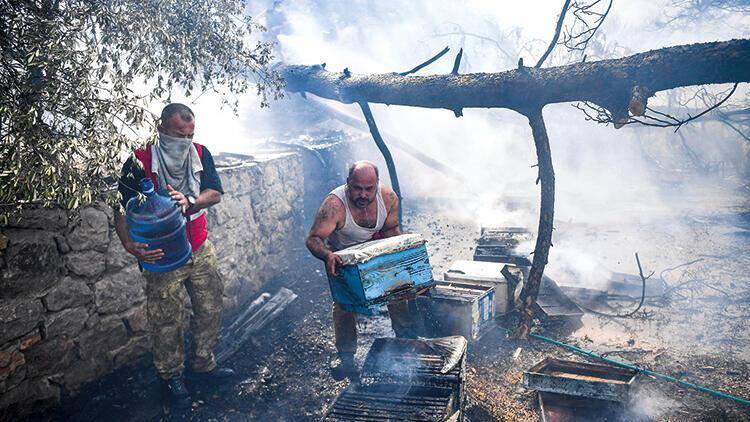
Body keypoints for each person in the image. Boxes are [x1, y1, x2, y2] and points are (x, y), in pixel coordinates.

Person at [114, 103, 233, 408]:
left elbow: (215, 193)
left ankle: (203, 364)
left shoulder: (201, 153)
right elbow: (120, 209)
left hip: (199, 245)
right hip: (160, 255)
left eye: (191, 134)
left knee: (210, 307)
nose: (186, 140)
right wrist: (129, 245)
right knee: (166, 319)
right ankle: (172, 377)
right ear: (162, 129)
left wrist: (191, 200)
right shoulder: (139, 160)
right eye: (180, 134)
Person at [306, 160, 419, 379]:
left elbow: (391, 228)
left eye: (369, 189)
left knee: (397, 289)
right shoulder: (334, 206)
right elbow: (313, 238)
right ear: (348, 183)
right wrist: (328, 255)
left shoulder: (388, 198)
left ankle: (405, 338)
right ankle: (346, 355)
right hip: (344, 259)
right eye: (357, 188)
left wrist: (402, 254)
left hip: (375, 251)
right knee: (344, 305)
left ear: (377, 184)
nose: (363, 195)